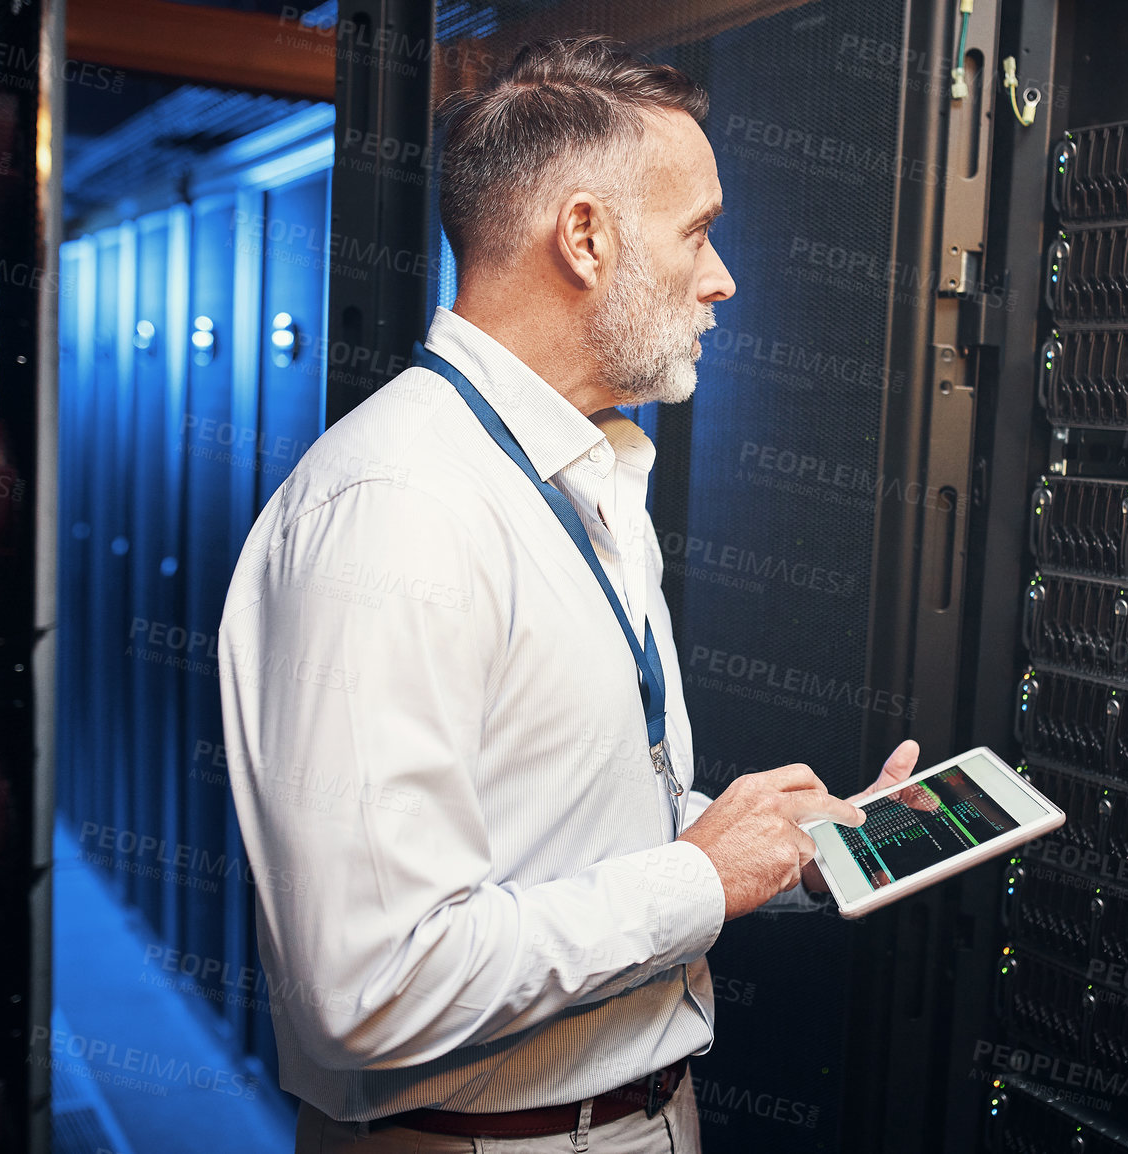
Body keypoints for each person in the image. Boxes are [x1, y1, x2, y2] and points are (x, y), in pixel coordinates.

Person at [217, 36, 921, 1154]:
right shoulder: (400, 506)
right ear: (584, 236)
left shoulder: (579, 473)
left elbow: (557, 838)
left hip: (635, 1117)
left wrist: (785, 845)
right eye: (695, 230)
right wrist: (699, 874)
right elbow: (369, 979)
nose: (721, 275)